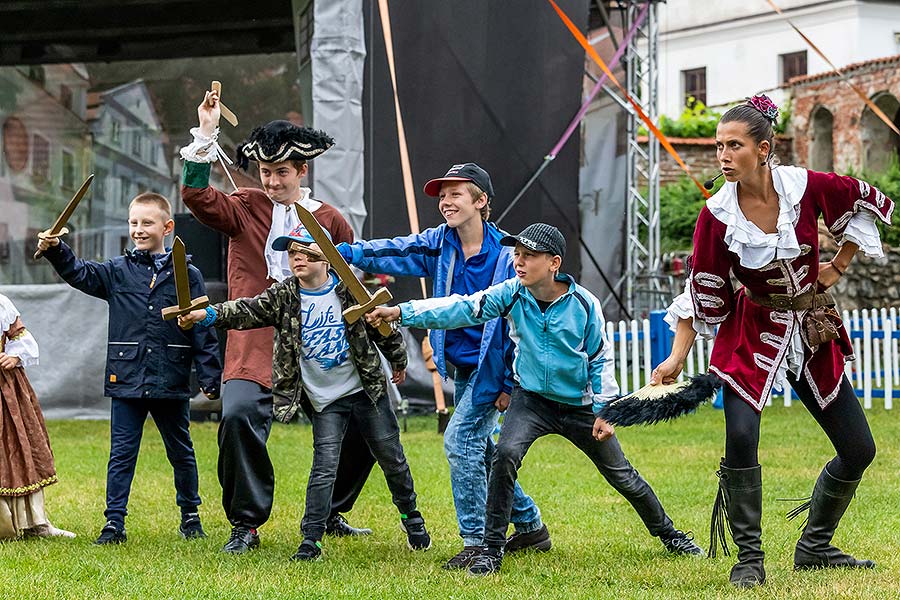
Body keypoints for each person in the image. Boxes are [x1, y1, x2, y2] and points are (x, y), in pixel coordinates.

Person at [651, 95, 893, 588]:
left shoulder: (806, 187)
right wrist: (677, 356)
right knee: (740, 436)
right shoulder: (716, 216)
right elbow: (702, 291)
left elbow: (866, 199)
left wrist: (838, 264)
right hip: (750, 333)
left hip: (809, 329)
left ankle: (815, 545)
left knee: (859, 448)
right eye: (718, 146)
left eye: (732, 145)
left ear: (763, 149)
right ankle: (749, 558)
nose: (722, 155)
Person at [366, 223, 702, 576]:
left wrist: (605, 411)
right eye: (517, 255)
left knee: (622, 476)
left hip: (581, 406)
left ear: (554, 262)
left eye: (529, 256)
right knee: (505, 456)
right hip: (530, 401)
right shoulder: (512, 293)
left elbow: (601, 359)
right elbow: (463, 308)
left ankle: (671, 535)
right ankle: (490, 552)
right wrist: (402, 312)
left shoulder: (585, 305)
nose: (519, 263)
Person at [179, 88, 377, 553]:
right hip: (256, 340)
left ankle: (330, 511)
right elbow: (196, 195)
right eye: (265, 172)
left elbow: (352, 282)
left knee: (367, 424)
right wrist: (206, 131)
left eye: (281, 172)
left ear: (302, 170)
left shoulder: (329, 219)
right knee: (239, 413)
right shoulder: (244, 207)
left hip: (322, 340)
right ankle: (245, 524)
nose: (271, 181)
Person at [336, 163, 547, 569]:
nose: (445, 202)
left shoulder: (510, 255)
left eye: (456, 194)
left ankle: (475, 542)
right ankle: (531, 526)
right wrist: (340, 252)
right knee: (481, 449)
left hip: (496, 367)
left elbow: (519, 327)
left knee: (459, 441)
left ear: (481, 202)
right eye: (441, 195)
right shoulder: (439, 243)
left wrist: (507, 383)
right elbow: (394, 250)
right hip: (461, 365)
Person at [179, 224, 431, 561]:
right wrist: (208, 314)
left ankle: (410, 517)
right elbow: (245, 310)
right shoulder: (285, 295)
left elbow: (383, 329)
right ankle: (311, 539)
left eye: (305, 252)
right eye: (292, 253)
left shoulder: (350, 290)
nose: (297, 259)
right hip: (325, 400)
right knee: (324, 466)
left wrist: (398, 359)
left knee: (392, 457)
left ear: (326, 258)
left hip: (365, 391)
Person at [37, 192, 222, 544]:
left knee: (181, 451)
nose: (139, 229)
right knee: (121, 454)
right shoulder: (117, 272)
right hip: (127, 378)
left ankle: (191, 516)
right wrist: (56, 250)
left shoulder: (187, 273)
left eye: (147, 223)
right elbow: (81, 273)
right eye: (134, 222)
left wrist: (210, 376)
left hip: (170, 376)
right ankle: (114, 523)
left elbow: (202, 326)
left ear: (167, 227)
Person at [0, 294, 74, 540]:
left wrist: (14, 356)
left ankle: (34, 523)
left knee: (17, 447)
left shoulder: (1, 303)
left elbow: (21, 338)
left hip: (5, 390)